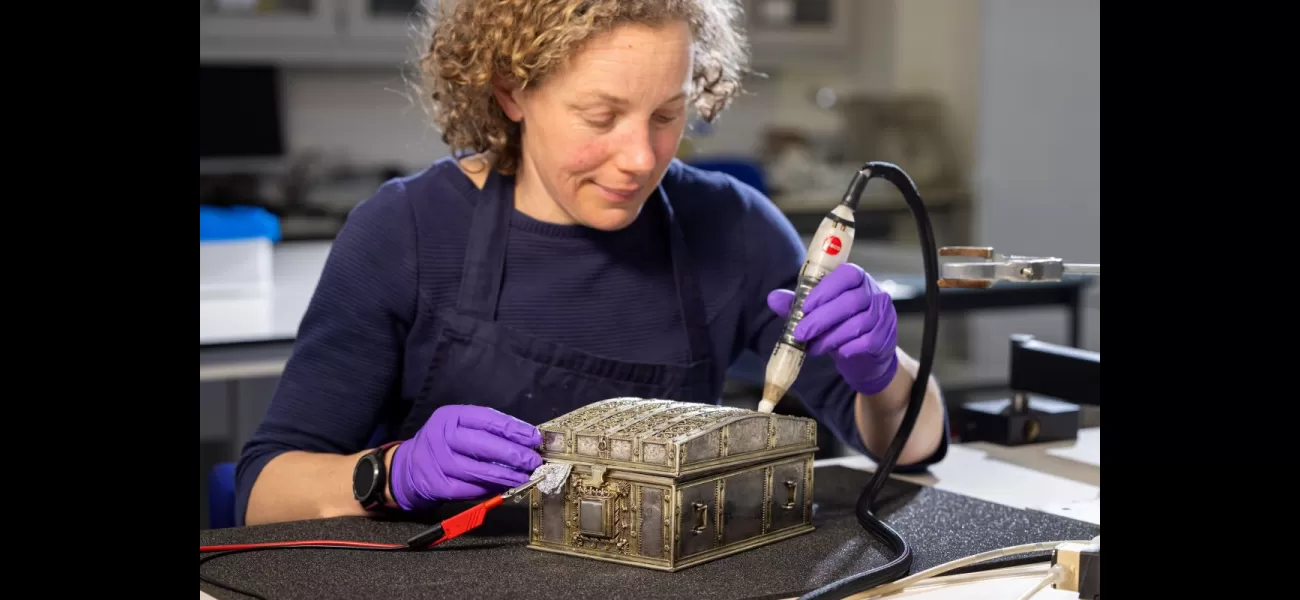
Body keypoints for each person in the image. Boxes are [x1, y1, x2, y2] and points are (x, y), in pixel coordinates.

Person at [235, 0, 950, 527]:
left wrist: (883, 374)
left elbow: (914, 447)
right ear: (512, 92)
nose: (640, 158)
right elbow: (263, 491)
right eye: (601, 117)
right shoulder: (408, 231)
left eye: (666, 116)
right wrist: (391, 474)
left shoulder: (732, 229)